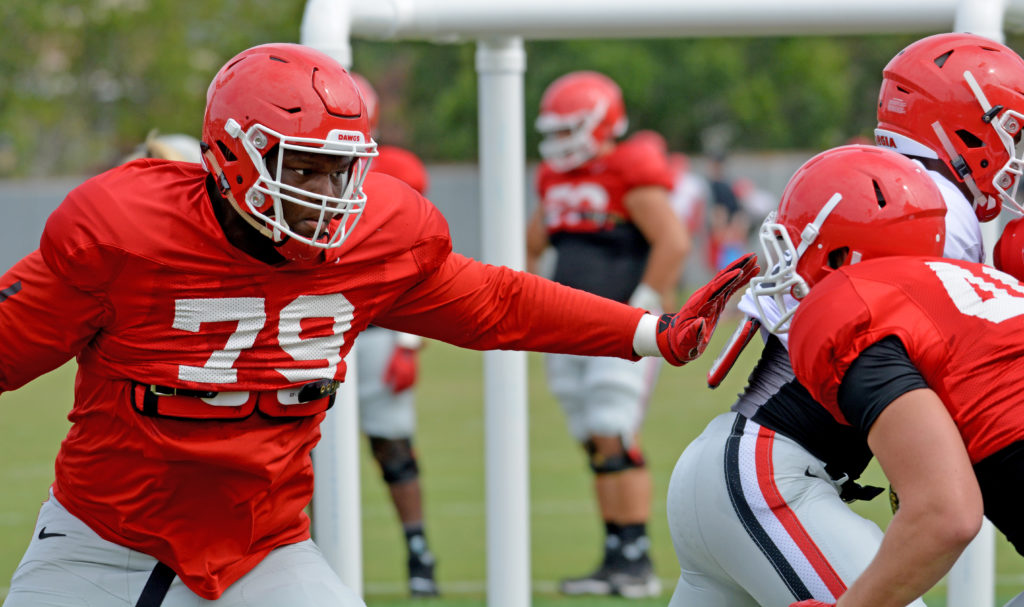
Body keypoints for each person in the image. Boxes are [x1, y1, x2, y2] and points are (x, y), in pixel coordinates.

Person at [0, 43, 757, 607]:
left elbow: (495, 302)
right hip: (102, 541)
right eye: (302, 168)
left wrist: (645, 330)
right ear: (232, 155)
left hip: (264, 549)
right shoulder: (125, 230)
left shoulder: (375, 238)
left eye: (341, 169)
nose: (329, 194)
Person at [667, 32, 1024, 607]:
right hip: (775, 475)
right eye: (1011, 131)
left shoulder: (877, 183)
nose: (1016, 151)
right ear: (963, 124)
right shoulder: (935, 208)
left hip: (736, 463)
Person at [754, 150, 1024, 607]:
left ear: (842, 252)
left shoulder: (853, 302)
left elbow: (946, 514)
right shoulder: (989, 287)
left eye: (798, 241)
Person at [527, 70, 692, 598]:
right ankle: (615, 555)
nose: (558, 142)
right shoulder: (554, 179)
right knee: (593, 437)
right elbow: (534, 240)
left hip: (623, 326)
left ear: (601, 124)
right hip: (568, 326)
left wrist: (646, 301)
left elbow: (674, 241)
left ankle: (637, 560)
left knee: (612, 428)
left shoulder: (630, 170)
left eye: (569, 128)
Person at [347, 71, 440, 598]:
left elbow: (420, 260)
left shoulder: (396, 171)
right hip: (308, 325)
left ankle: (419, 551)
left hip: (379, 328)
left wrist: (409, 343)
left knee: (393, 448)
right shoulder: (292, 167)